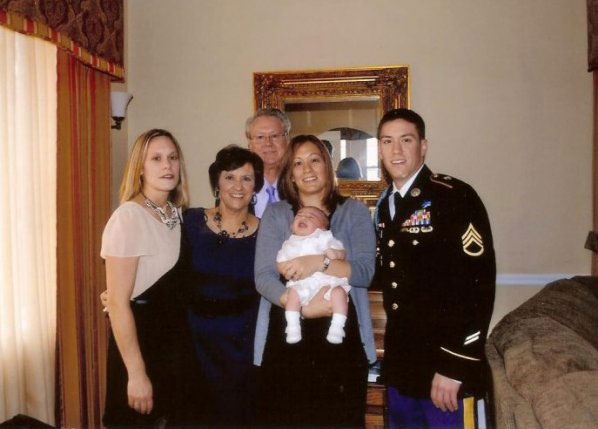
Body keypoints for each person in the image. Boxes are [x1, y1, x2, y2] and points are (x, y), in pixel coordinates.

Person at [373, 108, 496, 429]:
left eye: (406, 140)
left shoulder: (454, 197)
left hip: (446, 371)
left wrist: (455, 366)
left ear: (423, 146)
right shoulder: (385, 205)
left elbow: (477, 286)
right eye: (387, 141)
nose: (396, 150)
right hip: (404, 368)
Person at [254, 134, 377, 428]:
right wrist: (302, 309)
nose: (307, 169)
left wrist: (320, 263)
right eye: (297, 163)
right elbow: (263, 277)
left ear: (328, 166)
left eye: (314, 160)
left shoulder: (355, 212)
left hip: (340, 339)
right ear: (290, 174)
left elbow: (364, 272)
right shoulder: (276, 214)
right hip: (286, 334)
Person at [101, 129, 197, 428]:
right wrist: (137, 374)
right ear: (139, 168)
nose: (167, 166)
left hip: (173, 349)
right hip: (140, 349)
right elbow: (118, 304)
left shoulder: (176, 214)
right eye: (156, 158)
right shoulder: (129, 216)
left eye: (172, 158)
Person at [181, 145, 264, 426]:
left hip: (243, 351)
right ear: (217, 182)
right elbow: (164, 271)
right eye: (230, 177)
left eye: (247, 178)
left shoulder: (267, 233)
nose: (237, 186)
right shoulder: (190, 222)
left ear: (256, 186)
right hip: (193, 348)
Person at [277, 206, 350, 344]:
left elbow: (341, 252)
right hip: (302, 283)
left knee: (339, 293)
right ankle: (293, 326)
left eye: (311, 217)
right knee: (292, 294)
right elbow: (280, 262)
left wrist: (335, 254)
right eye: (299, 215)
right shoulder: (289, 243)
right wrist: (284, 269)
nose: (303, 217)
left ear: (322, 228)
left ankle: (338, 327)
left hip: (326, 281)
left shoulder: (323, 237)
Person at [245, 108, 291, 217]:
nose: (268, 143)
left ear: (287, 141)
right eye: (260, 137)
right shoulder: (239, 188)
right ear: (250, 145)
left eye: (274, 136)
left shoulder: (300, 185)